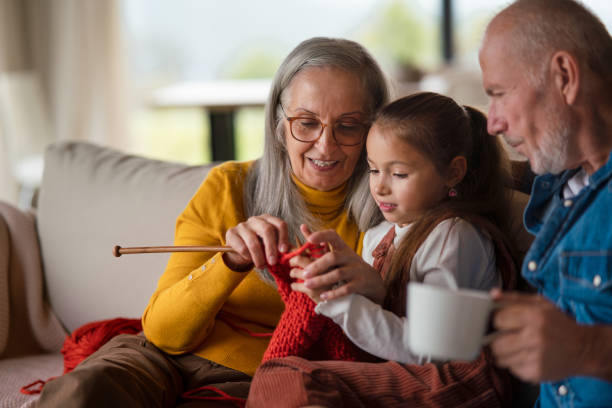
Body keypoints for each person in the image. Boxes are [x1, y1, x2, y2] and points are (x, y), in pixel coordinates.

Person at [35, 37, 389, 407]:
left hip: (268, 376)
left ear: (376, 129)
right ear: (278, 123)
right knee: (83, 392)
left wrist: (373, 289)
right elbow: (164, 333)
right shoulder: (227, 187)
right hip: (160, 358)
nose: (325, 145)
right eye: (306, 123)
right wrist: (228, 263)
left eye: (348, 127)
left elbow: (408, 345)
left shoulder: (393, 212)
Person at [247, 92, 520, 407]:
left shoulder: (454, 237)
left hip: (456, 383)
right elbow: (378, 332)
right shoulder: (378, 235)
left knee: (286, 376)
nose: (379, 186)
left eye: (399, 174)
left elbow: (433, 350)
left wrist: (340, 302)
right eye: (374, 170)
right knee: (282, 376)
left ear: (453, 172)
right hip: (404, 372)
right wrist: (335, 278)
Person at [478, 0, 612, 406]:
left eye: (499, 94)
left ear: (565, 76)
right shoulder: (568, 174)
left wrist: (586, 349)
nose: (493, 122)